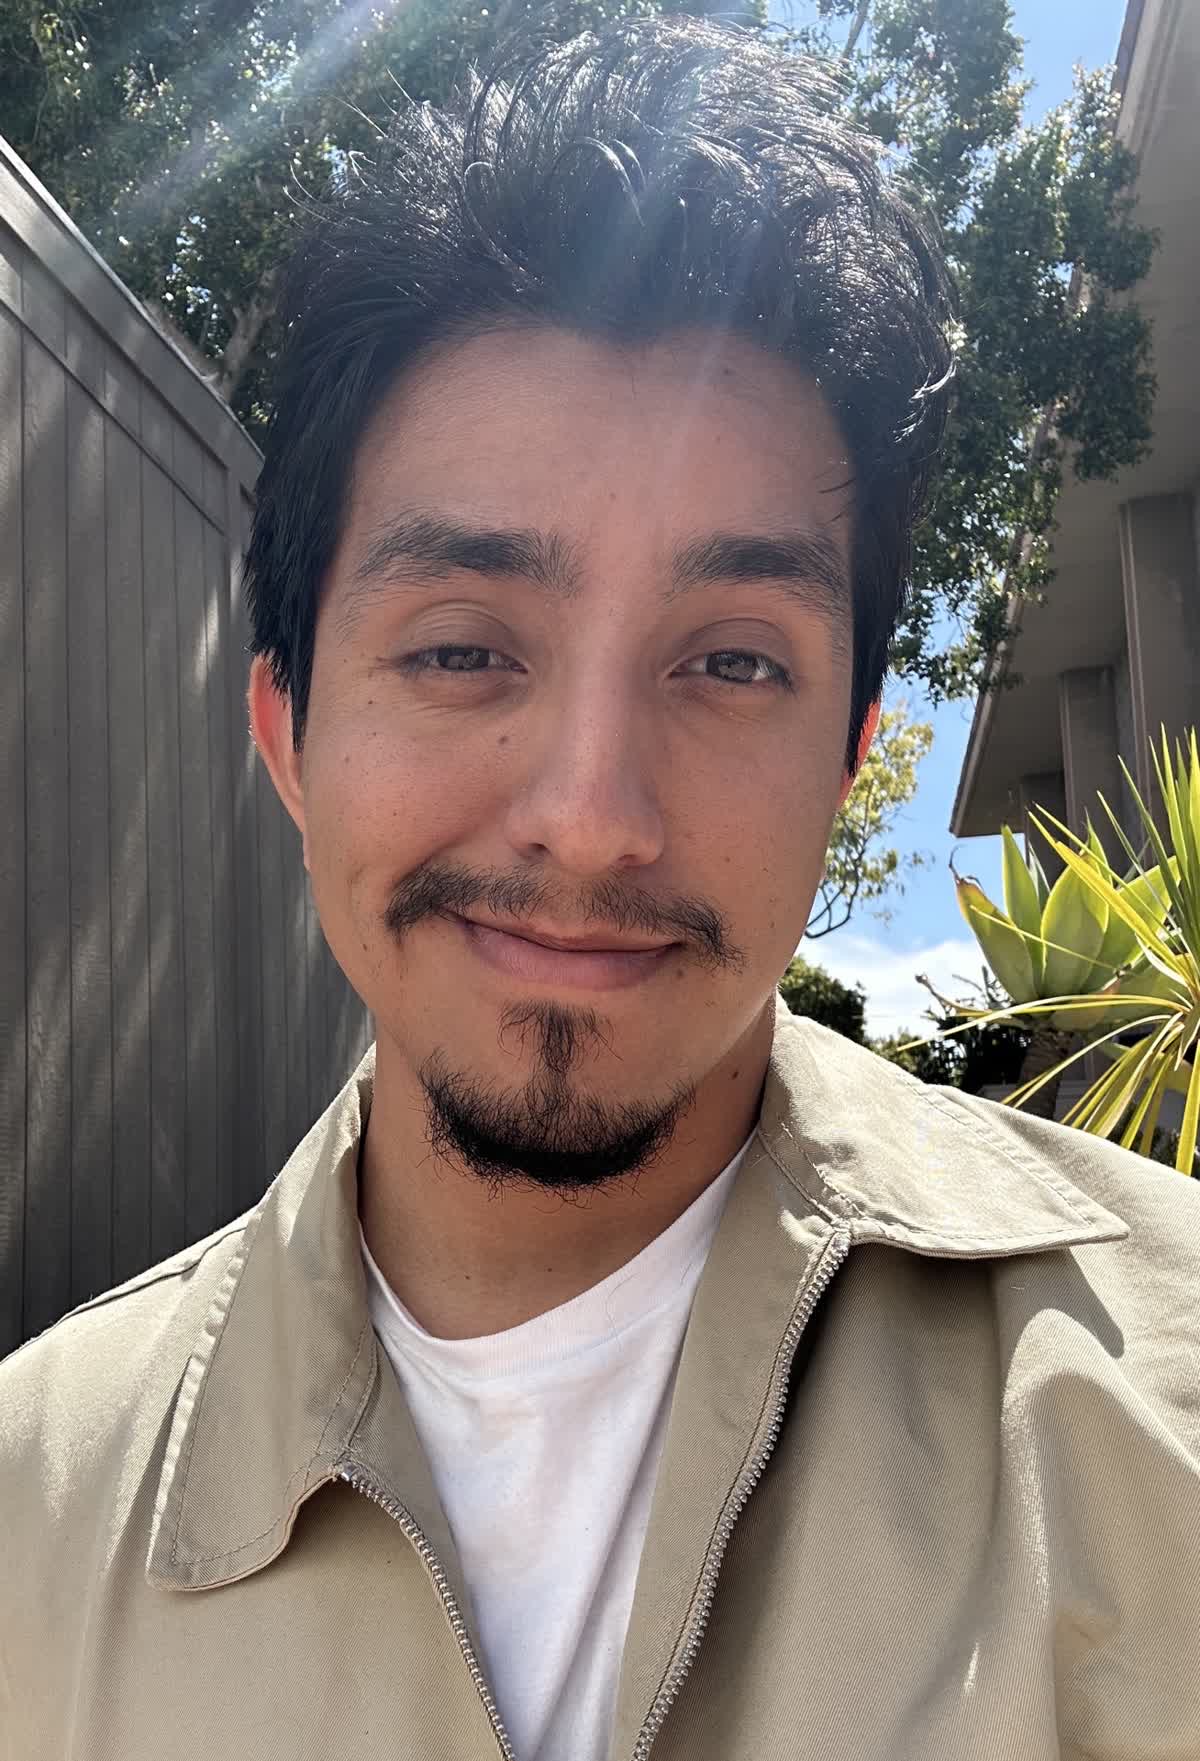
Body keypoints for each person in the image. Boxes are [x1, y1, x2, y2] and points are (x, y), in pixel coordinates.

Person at [2, 15, 1199, 1760]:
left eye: (728, 664)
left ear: (854, 747)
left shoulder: (1161, 1411)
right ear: (287, 729)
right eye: (468, 645)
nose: (590, 817)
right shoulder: (35, 1514)